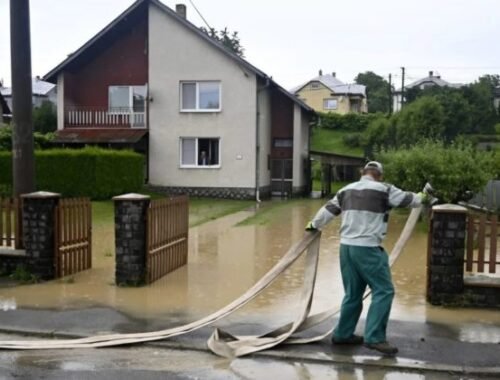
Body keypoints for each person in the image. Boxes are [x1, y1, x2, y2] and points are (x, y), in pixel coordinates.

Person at [305, 161, 429, 355]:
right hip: (368, 249)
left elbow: (327, 212)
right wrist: (424, 196)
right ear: (379, 175)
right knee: (384, 290)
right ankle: (375, 338)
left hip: (346, 248)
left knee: (352, 294)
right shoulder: (384, 189)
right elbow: (411, 200)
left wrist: (313, 225)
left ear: (363, 173)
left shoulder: (346, 190)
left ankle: (343, 335)